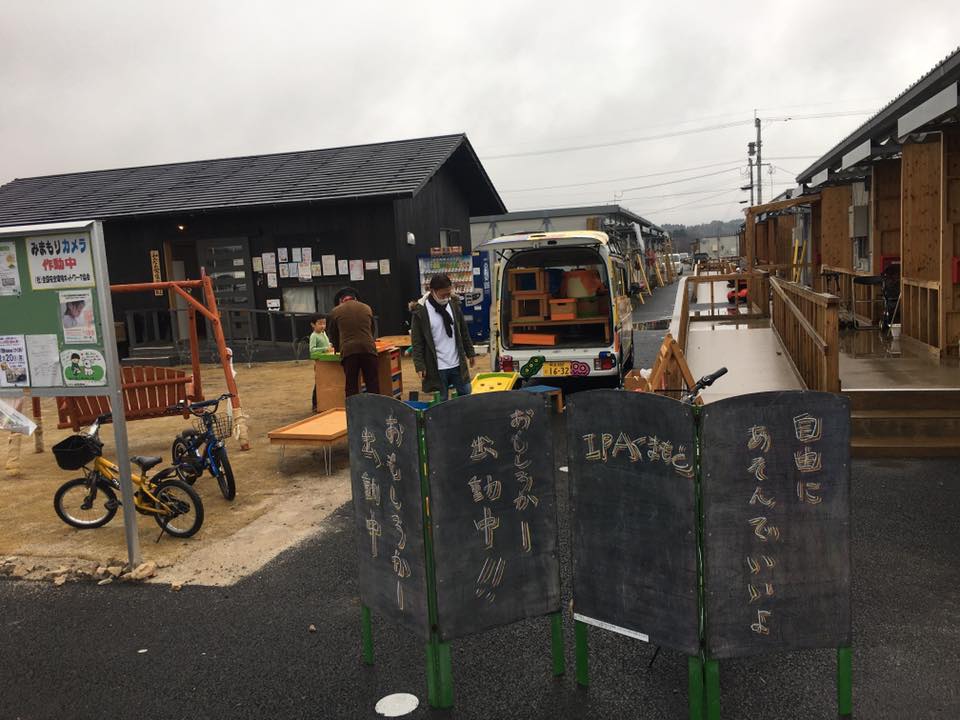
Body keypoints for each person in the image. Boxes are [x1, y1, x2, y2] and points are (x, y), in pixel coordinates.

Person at [410, 274, 475, 401]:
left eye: (448, 293)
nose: (446, 297)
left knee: (466, 393)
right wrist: (420, 366)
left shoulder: (454, 305)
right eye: (443, 294)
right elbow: (417, 342)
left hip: (457, 362)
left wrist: (470, 352)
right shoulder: (421, 312)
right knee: (442, 402)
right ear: (433, 291)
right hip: (437, 365)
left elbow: (463, 331)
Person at [326, 287, 380, 397]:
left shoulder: (336, 311)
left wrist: (337, 349)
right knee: (372, 383)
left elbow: (333, 334)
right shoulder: (367, 308)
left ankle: (353, 411)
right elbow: (372, 330)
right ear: (356, 298)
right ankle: (375, 410)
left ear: (341, 300)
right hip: (368, 349)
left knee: (351, 385)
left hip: (349, 351)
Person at [309, 314, 331, 413]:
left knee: (326, 382)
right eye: (320, 323)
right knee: (318, 383)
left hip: (326, 361)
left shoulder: (323, 333)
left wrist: (330, 345)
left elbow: (327, 344)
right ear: (313, 325)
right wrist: (325, 349)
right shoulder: (314, 336)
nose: (322, 326)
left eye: (324, 323)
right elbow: (312, 350)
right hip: (319, 363)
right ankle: (315, 404)